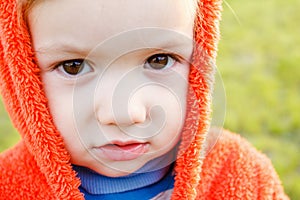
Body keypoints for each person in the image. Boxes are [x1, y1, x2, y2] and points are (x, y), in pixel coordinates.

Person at [0, 0, 289, 199]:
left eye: (159, 60)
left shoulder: (243, 176)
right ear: (21, 71)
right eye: (73, 66)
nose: (126, 113)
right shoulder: (7, 187)